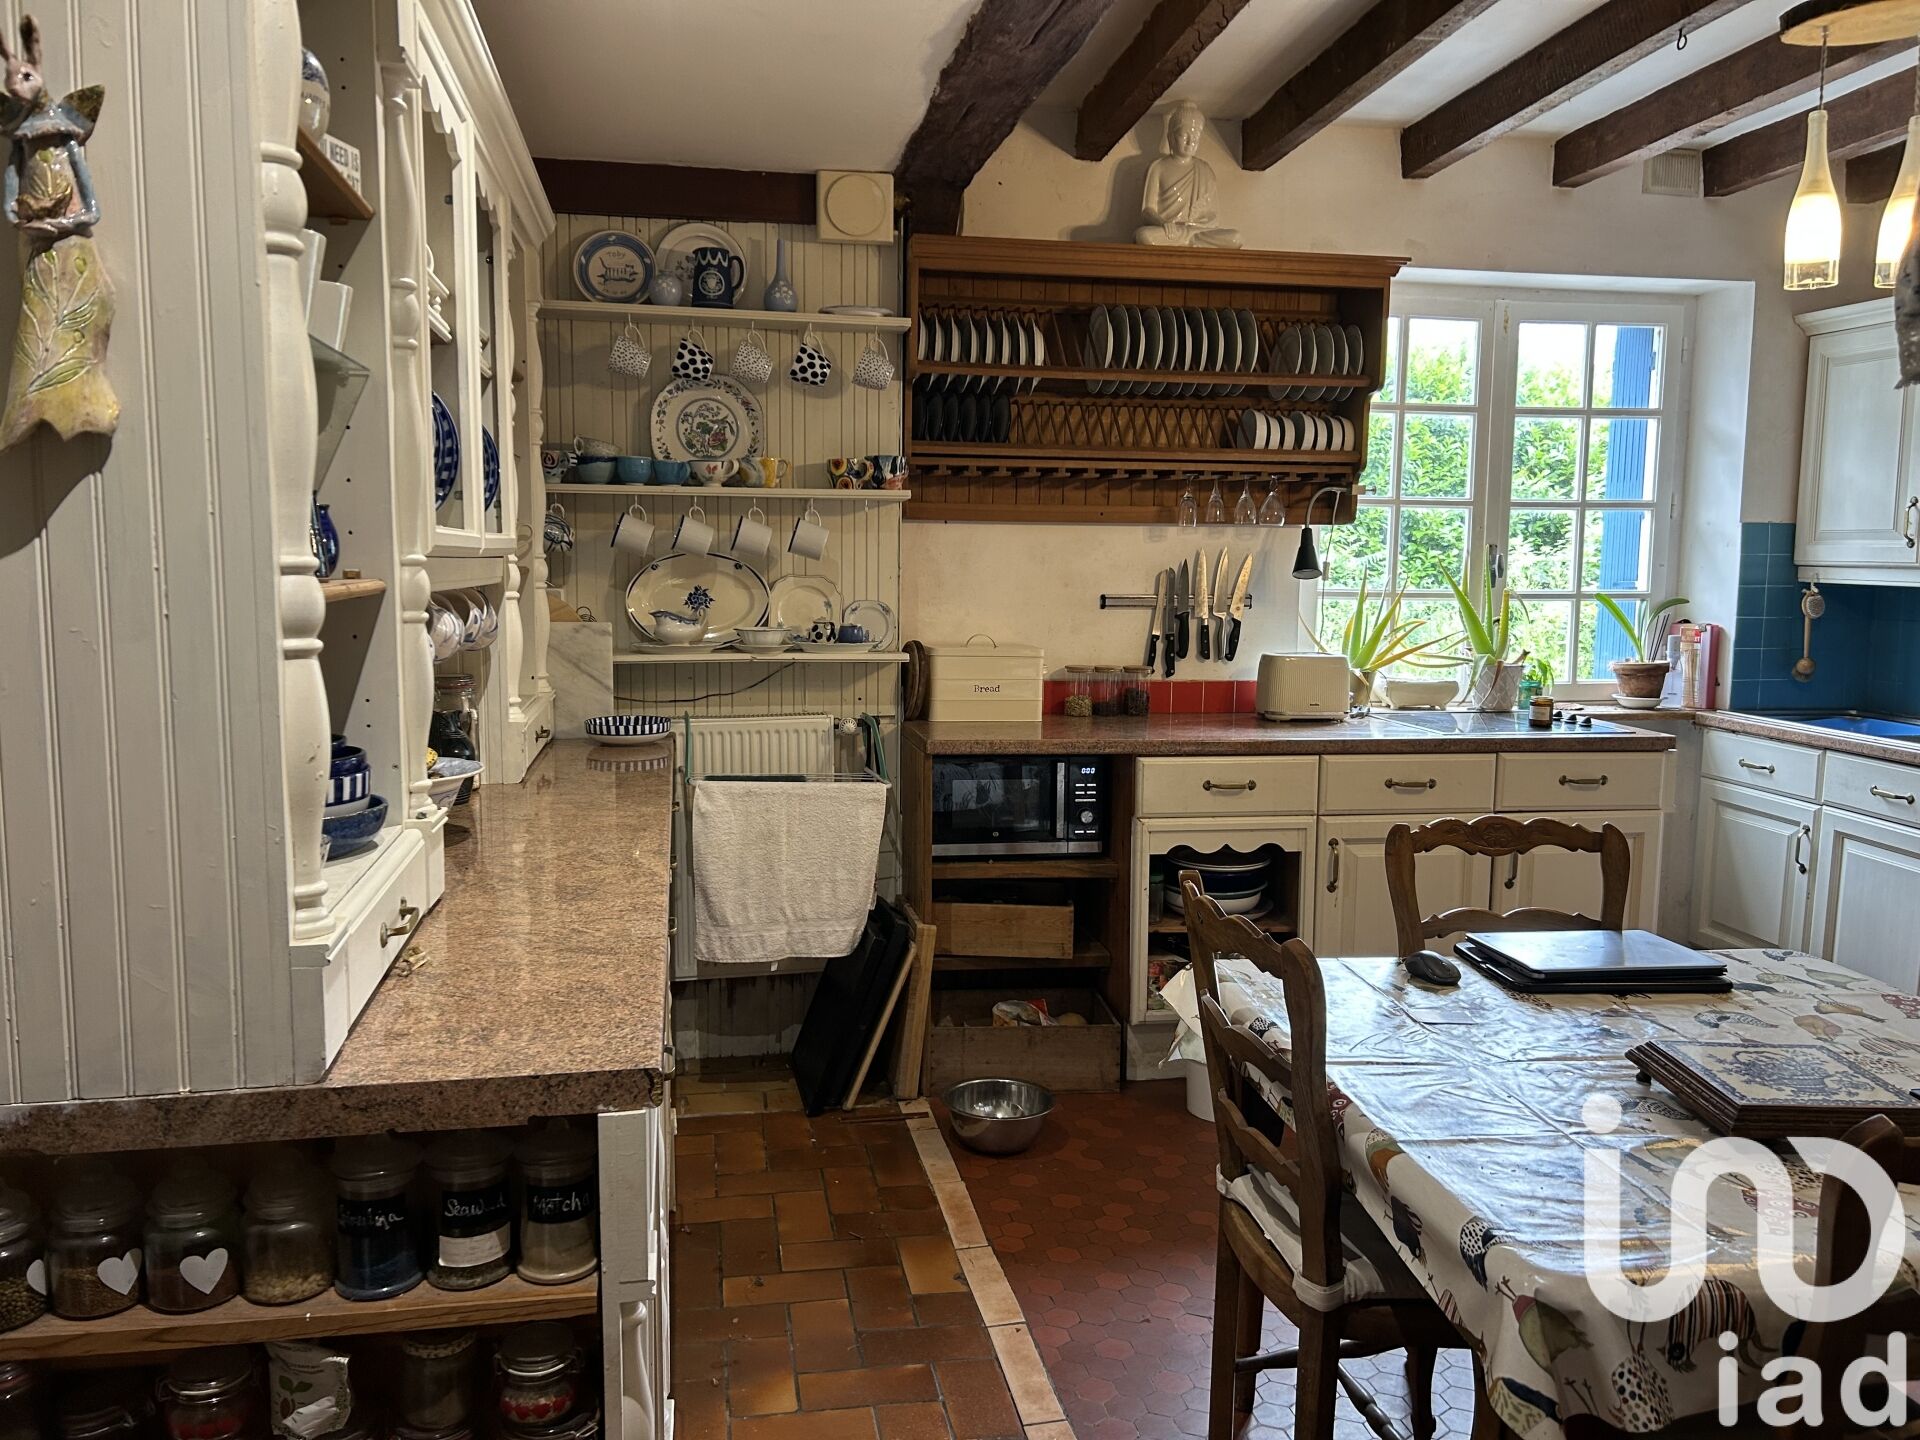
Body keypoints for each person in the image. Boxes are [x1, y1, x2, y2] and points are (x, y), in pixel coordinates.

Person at [1134, 100, 1242, 249]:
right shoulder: (1158, 167)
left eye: (1196, 136)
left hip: (1197, 231)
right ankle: (1189, 241)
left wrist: (1199, 224)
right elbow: (1147, 210)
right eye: (1184, 135)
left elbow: (1213, 216)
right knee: (1144, 236)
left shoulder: (1205, 170)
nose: (1191, 141)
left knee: (1235, 238)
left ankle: (1191, 241)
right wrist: (1163, 223)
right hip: (1170, 232)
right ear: (1171, 137)